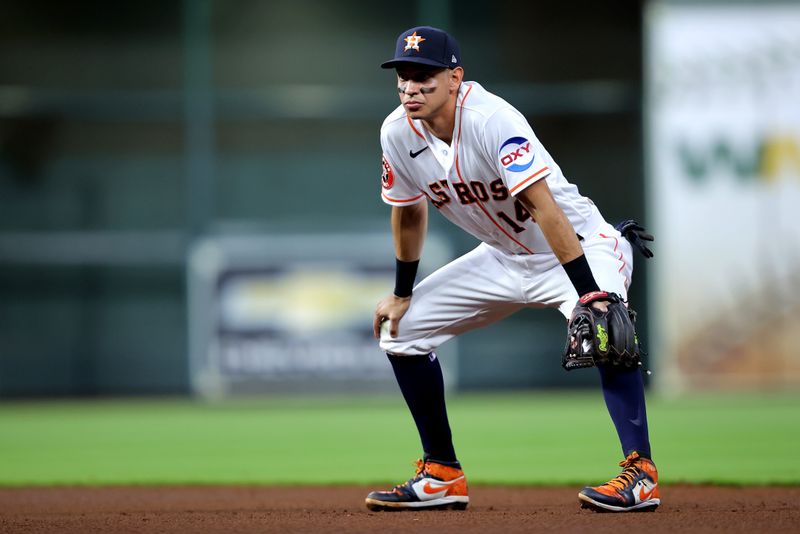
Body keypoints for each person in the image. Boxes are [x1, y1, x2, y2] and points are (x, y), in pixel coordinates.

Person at [365, 26, 659, 513]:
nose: (410, 87)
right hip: (502, 257)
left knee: (606, 328)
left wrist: (588, 292)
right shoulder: (396, 132)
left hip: (579, 248)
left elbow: (545, 209)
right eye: (403, 76)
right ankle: (441, 473)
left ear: (455, 77)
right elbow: (408, 209)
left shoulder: (491, 119)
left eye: (424, 77)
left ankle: (641, 473)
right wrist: (402, 291)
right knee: (402, 331)